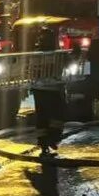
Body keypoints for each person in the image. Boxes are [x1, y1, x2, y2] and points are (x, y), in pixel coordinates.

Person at [32, 26, 67, 155]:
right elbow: (67, 63)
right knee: (58, 115)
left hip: (39, 90)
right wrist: (76, 54)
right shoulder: (57, 54)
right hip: (53, 90)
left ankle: (44, 144)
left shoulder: (35, 55)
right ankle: (52, 139)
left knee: (42, 117)